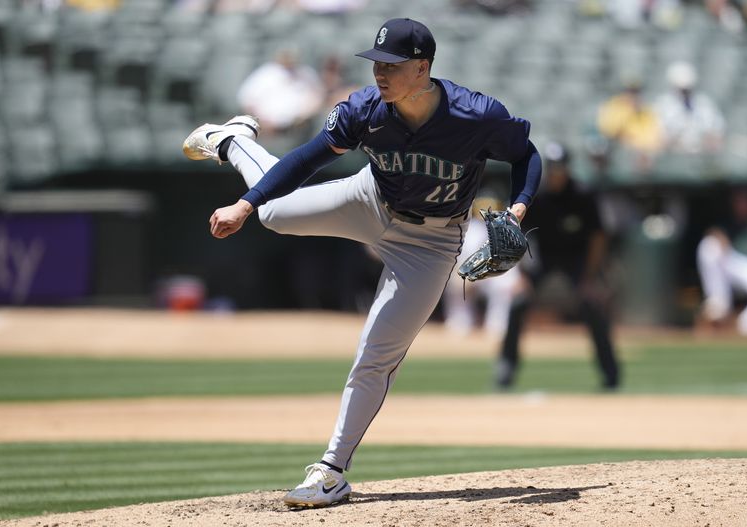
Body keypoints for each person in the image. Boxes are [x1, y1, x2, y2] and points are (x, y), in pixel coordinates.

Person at [182, 17, 541, 507]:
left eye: (392, 65)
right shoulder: (365, 109)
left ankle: (330, 471)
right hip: (369, 200)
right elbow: (306, 160)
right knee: (268, 212)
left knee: (376, 353)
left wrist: (518, 209)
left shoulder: (475, 115)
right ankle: (233, 140)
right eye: (376, 64)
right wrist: (244, 206)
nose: (380, 73)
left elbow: (527, 154)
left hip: (431, 243)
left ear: (422, 67)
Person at [496, 141, 620, 391]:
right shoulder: (538, 196)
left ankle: (610, 373)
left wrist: (590, 277)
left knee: (591, 305)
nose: (556, 173)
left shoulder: (583, 195)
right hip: (544, 259)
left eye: (560, 168)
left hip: (577, 260)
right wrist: (520, 275)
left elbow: (598, 238)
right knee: (518, 303)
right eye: (552, 168)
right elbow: (518, 235)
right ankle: (506, 368)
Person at [441, 195, 522, 337]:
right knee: (457, 282)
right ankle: (460, 322)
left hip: (491, 277)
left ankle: (497, 324)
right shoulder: (468, 229)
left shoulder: (506, 228)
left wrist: (516, 279)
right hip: (468, 273)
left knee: (506, 283)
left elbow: (509, 260)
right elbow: (456, 261)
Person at [696, 188, 747, 336]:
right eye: (738, 202)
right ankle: (718, 307)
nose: (742, 205)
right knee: (709, 246)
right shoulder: (727, 221)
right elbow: (712, 231)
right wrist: (718, 235)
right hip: (732, 262)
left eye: (745, 201)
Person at [236, 47, 326, 136]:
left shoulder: (306, 73)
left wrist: (305, 116)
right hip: (267, 130)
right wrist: (259, 122)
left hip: (299, 129)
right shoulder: (266, 73)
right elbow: (247, 100)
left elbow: (318, 96)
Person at [653, 61, 726, 155]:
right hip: (672, 155)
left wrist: (707, 141)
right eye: (682, 89)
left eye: (687, 89)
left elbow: (717, 132)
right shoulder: (662, 104)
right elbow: (659, 138)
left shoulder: (703, 103)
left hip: (701, 154)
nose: (685, 92)